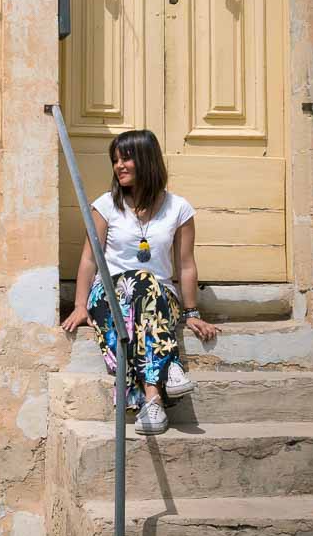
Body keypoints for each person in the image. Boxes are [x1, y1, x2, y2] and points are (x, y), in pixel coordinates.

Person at [60, 129, 219, 435]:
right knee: (141, 281)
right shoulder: (106, 206)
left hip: (160, 299)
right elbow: (89, 260)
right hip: (108, 295)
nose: (119, 165)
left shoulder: (179, 209)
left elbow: (185, 265)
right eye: (115, 160)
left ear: (146, 160)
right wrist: (80, 305)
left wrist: (191, 312)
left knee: (147, 286)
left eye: (126, 158)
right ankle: (166, 375)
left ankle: (152, 403)